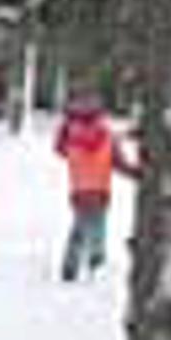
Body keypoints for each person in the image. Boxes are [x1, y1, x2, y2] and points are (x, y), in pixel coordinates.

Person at [55, 97, 124, 280]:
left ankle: (71, 264)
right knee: (98, 225)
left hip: (79, 189)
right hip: (101, 188)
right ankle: (96, 259)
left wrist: (67, 124)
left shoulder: (71, 136)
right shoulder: (108, 135)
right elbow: (119, 162)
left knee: (79, 226)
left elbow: (59, 149)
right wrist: (138, 173)